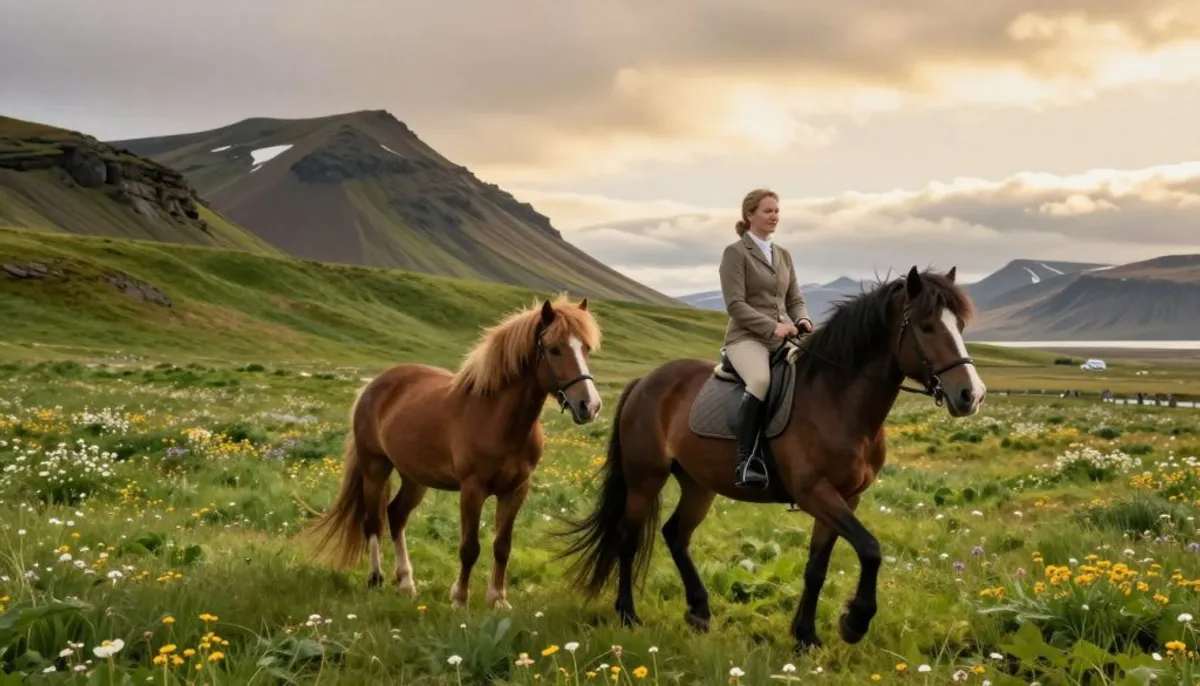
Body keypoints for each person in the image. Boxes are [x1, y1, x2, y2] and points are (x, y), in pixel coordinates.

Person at [718, 188, 813, 490]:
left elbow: (795, 298)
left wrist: (803, 319)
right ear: (750, 215)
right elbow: (735, 305)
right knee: (759, 381)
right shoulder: (735, 253)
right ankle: (747, 460)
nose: (775, 216)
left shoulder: (783, 254)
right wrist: (773, 327)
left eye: (777, 211)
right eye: (768, 211)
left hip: (784, 335)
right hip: (746, 338)